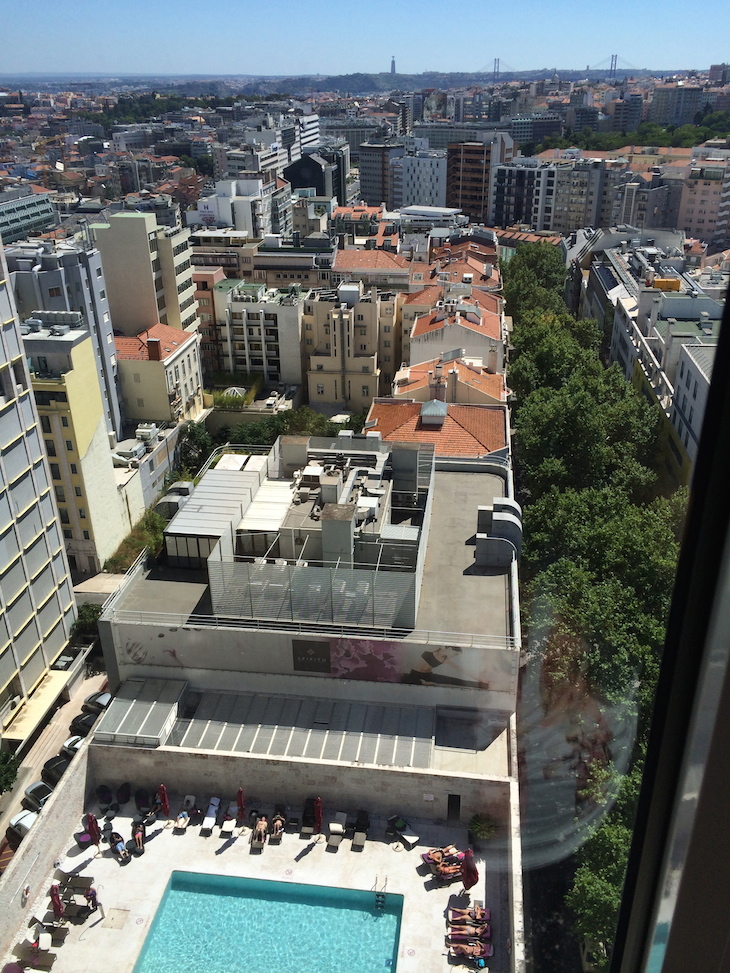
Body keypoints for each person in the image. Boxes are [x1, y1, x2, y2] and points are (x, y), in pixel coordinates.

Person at [401, 646, 490, 689]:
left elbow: (462, 670)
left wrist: (479, 679)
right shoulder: (434, 648)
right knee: (404, 678)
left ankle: (481, 685)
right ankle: (421, 683)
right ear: (450, 649)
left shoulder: (446, 660)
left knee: (454, 681)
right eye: (455, 654)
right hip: (415, 674)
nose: (454, 657)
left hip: (429, 676)